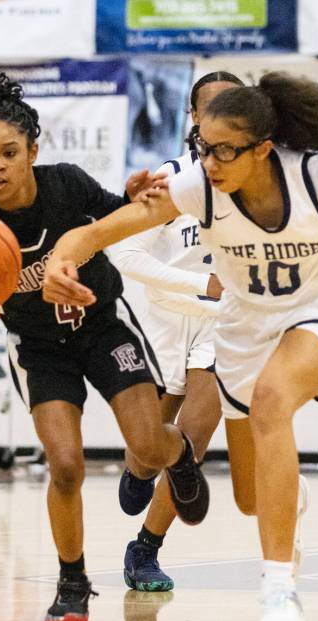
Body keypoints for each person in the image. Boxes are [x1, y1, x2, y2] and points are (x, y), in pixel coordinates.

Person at [41, 71, 318, 621]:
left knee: (271, 402)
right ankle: (287, 493)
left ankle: (279, 588)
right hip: (243, 331)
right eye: (202, 148)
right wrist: (60, 260)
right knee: (249, 498)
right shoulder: (199, 186)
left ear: (263, 148)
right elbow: (100, 234)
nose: (210, 162)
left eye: (223, 150)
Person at [0, 72, 210, 621]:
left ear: (31, 152)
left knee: (147, 445)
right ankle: (72, 582)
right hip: (41, 351)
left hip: (105, 328)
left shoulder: (67, 184)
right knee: (65, 464)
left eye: (8, 153)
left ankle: (178, 453)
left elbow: (119, 216)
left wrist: (136, 198)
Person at [110, 71, 243, 593]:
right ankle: (142, 467)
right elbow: (123, 253)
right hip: (164, 317)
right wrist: (197, 283)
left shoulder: (253, 185)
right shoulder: (170, 180)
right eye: (209, 109)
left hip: (222, 324)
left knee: (196, 435)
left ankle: (145, 548)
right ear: (192, 117)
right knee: (148, 446)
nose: (218, 120)